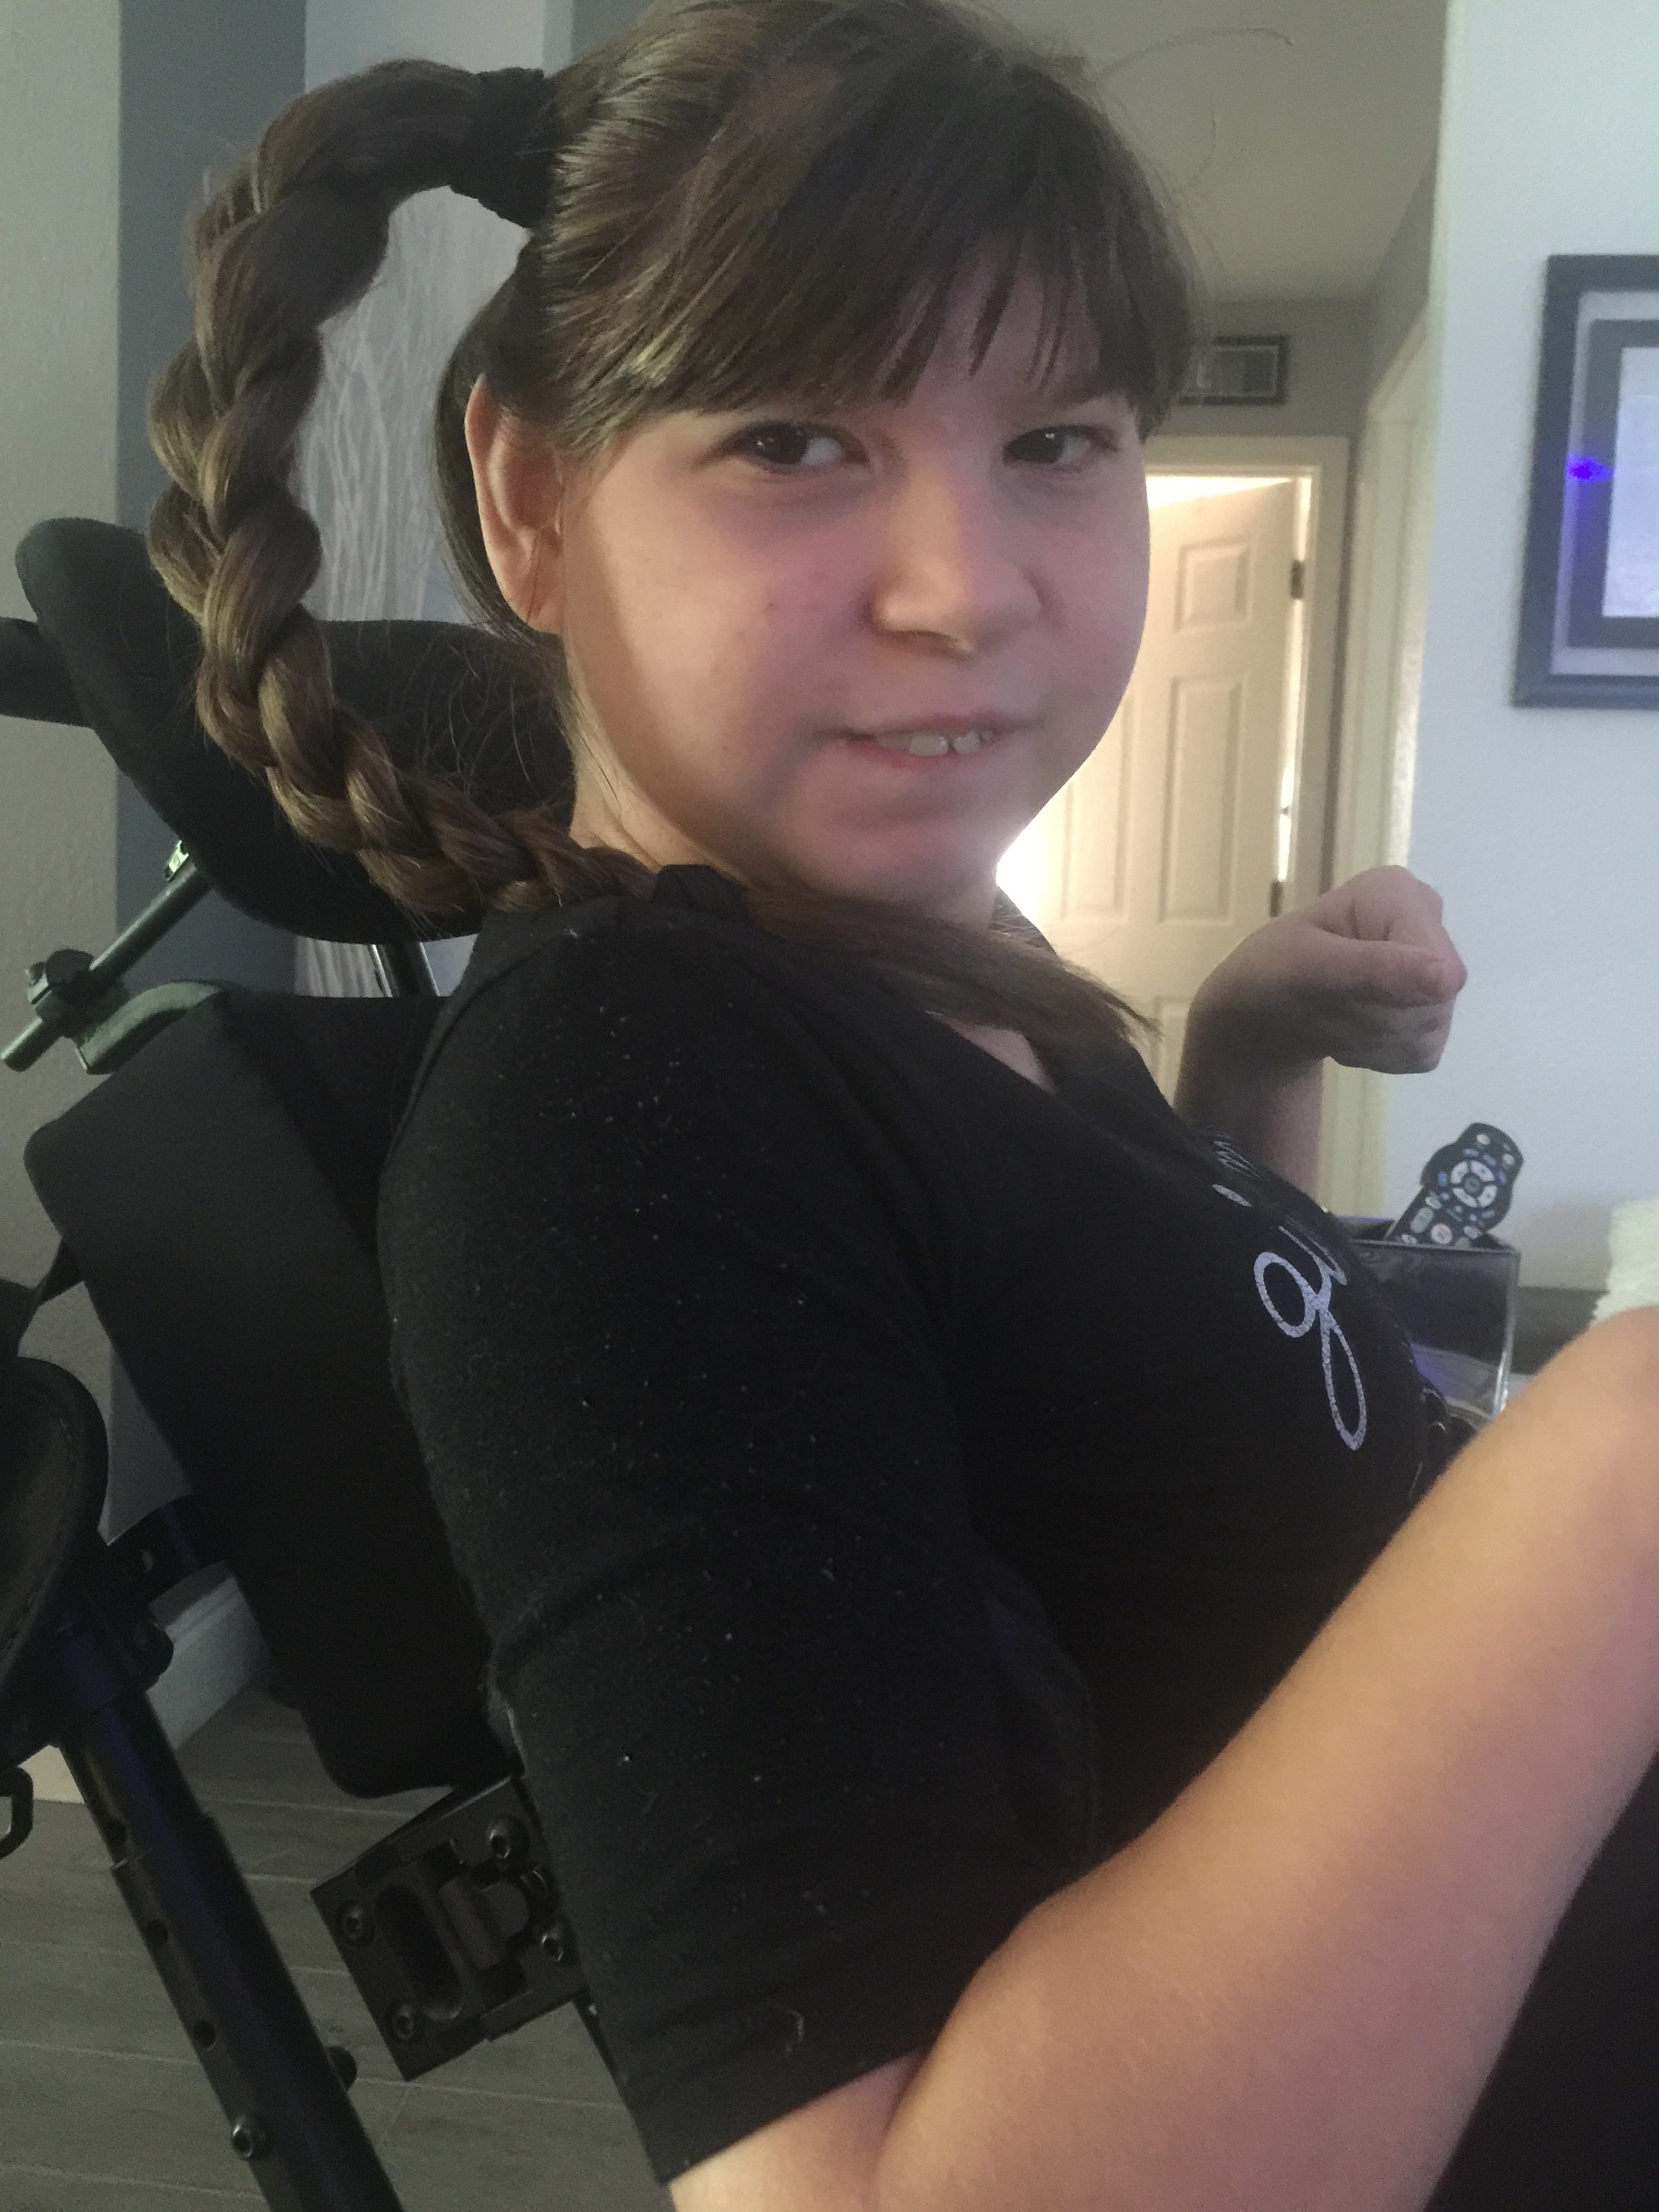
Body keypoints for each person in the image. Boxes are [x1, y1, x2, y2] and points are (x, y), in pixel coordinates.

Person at [142, 1, 1659, 2205]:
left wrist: (1243, 1052)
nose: (967, 592)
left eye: (1057, 439)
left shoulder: (929, 961)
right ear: (534, 502)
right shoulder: (626, 1097)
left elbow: (1149, 1507)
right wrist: (1614, 1475)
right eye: (793, 440)